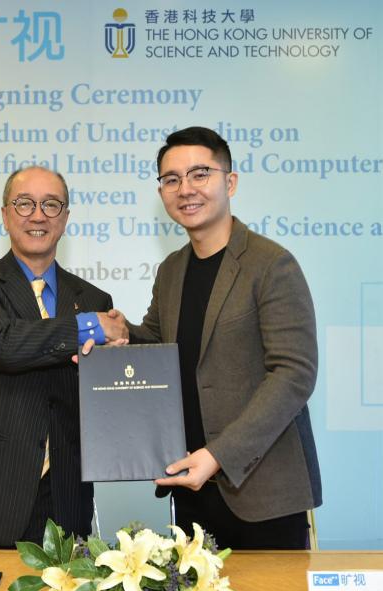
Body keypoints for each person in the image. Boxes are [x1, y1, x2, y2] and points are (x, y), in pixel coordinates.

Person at [126, 126, 322, 549]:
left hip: (262, 493)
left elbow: (294, 374)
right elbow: (158, 348)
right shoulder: (172, 270)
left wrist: (217, 456)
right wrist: (117, 335)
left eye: (200, 174)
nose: (185, 189)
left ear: (229, 182)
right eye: (171, 179)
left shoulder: (271, 264)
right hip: (191, 491)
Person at [0, 166, 128, 548]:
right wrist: (90, 327)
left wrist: (119, 351)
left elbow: (100, 399)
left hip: (65, 501)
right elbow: (4, 344)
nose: (38, 215)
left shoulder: (93, 300)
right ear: (5, 214)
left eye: (51, 205)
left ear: (66, 218)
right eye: (25, 204)